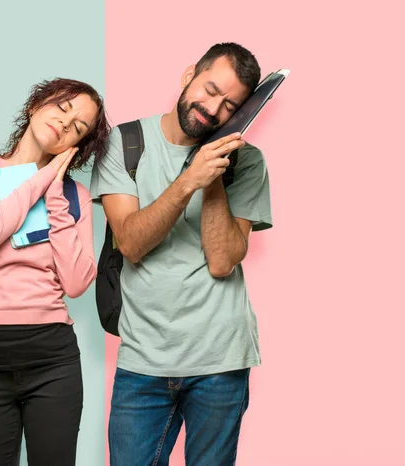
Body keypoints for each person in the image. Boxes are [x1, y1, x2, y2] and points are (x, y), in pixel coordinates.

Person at [90, 43, 273, 465]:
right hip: (144, 359)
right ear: (189, 74)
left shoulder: (247, 163)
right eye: (209, 90)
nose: (213, 109)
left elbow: (223, 260)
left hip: (221, 359)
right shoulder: (125, 143)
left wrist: (212, 175)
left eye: (230, 106)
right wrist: (189, 178)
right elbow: (132, 244)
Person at [0, 77, 110, 466]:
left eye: (77, 127)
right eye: (63, 107)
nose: (65, 122)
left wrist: (55, 191)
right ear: (37, 103)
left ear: (75, 147)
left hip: (52, 359)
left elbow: (75, 284)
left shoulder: (75, 196)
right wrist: (41, 177)